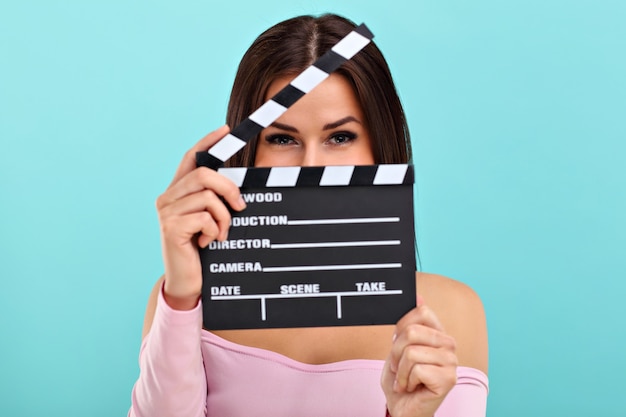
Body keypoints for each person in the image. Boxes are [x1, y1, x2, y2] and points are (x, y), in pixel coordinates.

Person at [129, 14, 488, 417]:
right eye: (282, 138)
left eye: (340, 137)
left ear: (379, 148)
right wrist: (181, 296)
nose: (310, 167)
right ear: (247, 153)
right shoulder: (182, 301)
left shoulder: (448, 316)